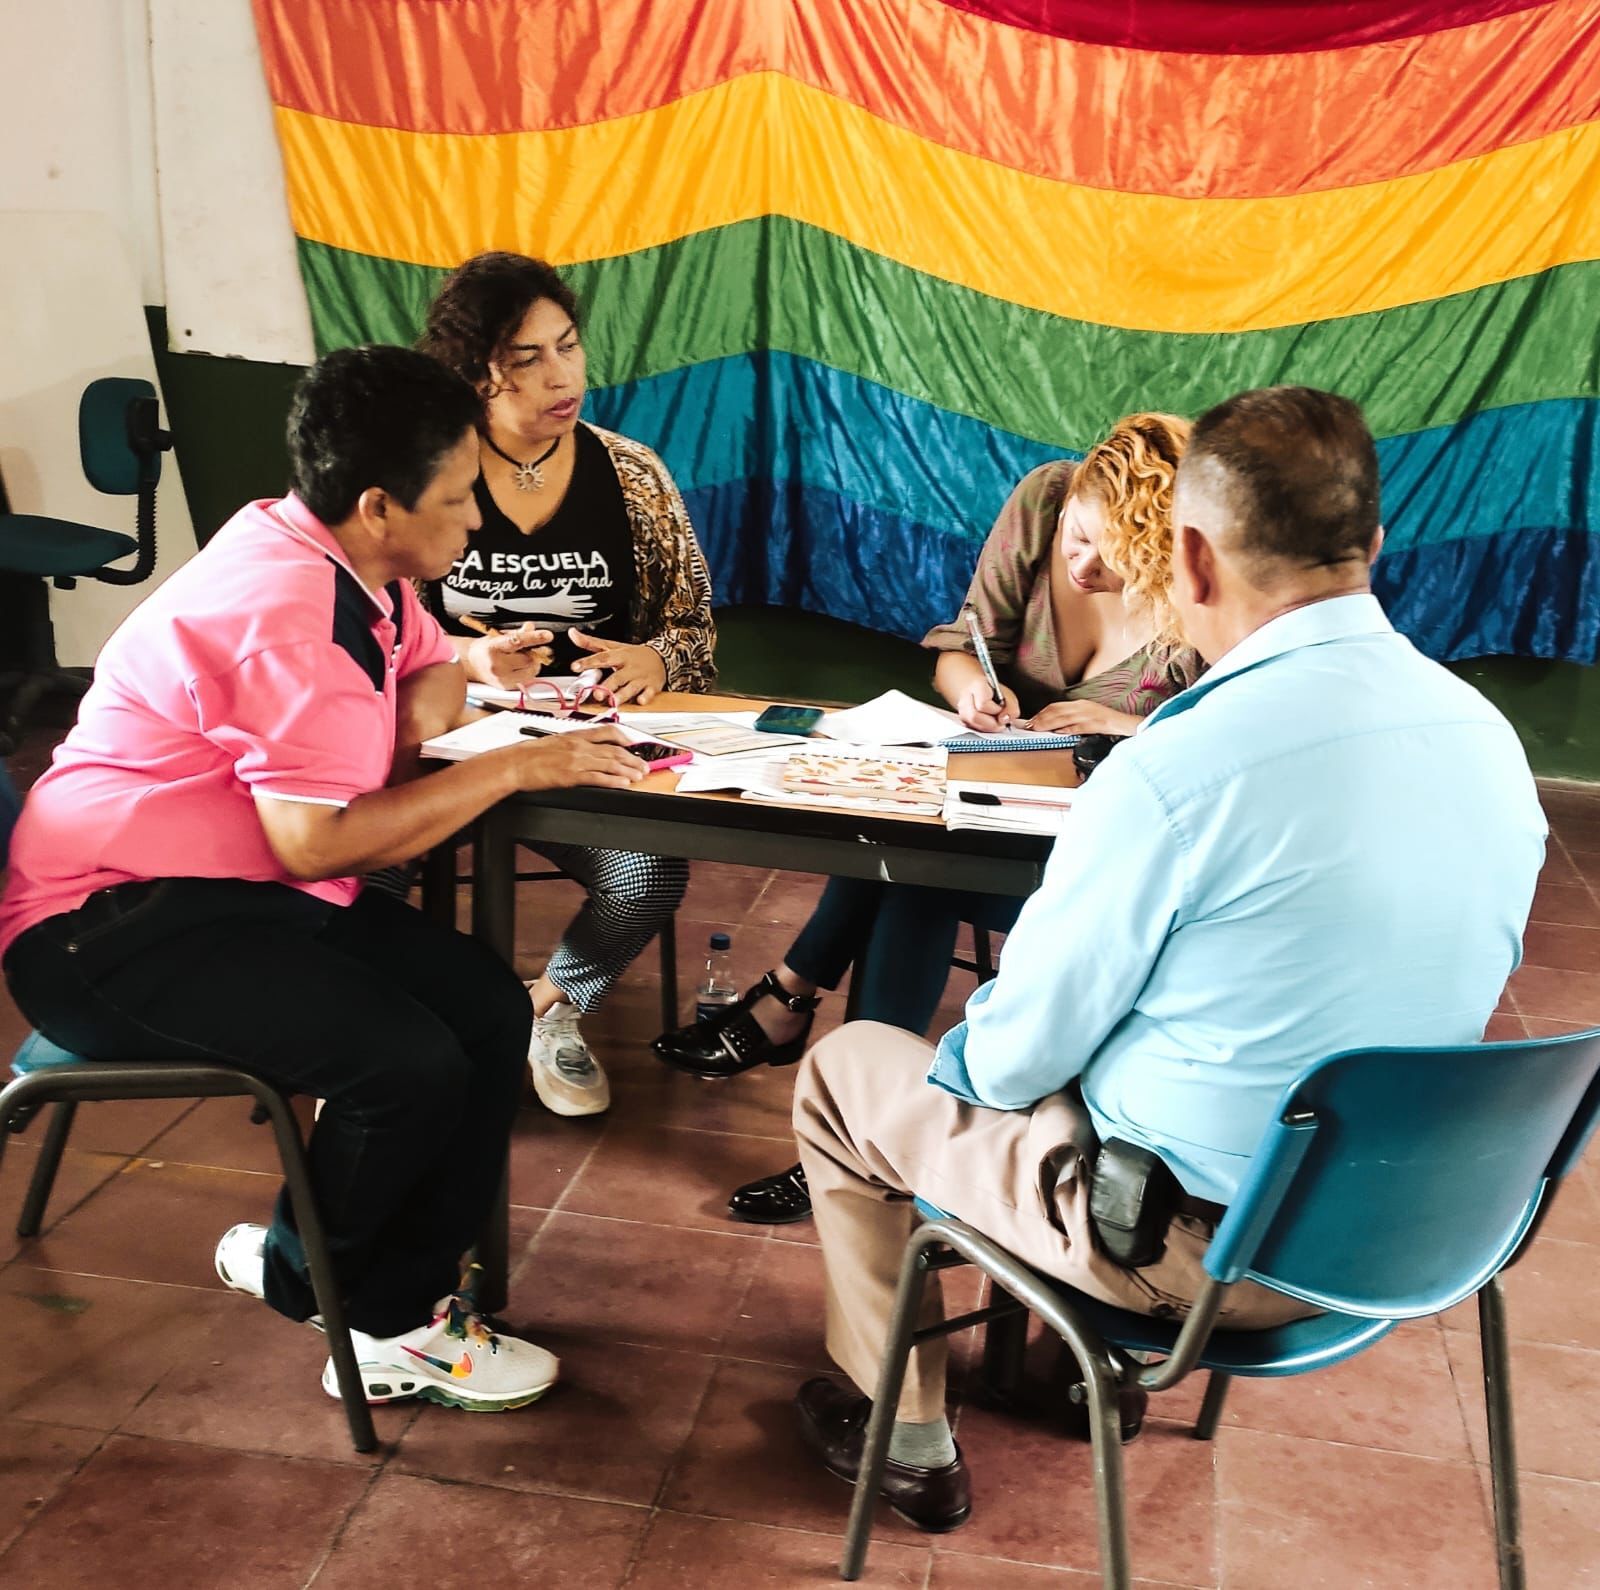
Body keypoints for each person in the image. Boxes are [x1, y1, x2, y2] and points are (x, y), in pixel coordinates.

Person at [784, 386, 1546, 1532]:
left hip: (1194, 1261)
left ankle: (904, 1431)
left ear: (1187, 559)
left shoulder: (1177, 773)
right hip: (1410, 1231)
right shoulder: (1491, 744)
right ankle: (1051, 1364)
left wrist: (986, 1077)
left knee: (853, 1073)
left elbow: (1007, 1061)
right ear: (1371, 546)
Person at [0, 346, 652, 1413]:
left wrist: (408, 724)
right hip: (104, 926)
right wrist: (514, 763)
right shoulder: (286, 608)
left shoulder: (349, 559)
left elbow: (436, 664)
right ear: (381, 502)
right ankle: (378, 1319)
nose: (475, 525)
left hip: (227, 890)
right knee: (403, 1065)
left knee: (486, 1009)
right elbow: (325, 842)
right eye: (457, 501)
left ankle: (333, 1279)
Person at [652, 414, 1200, 1226]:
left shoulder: (1202, 595)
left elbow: (1236, 736)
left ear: (1160, 556)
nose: (1080, 565)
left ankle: (797, 1019)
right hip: (993, 797)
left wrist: (1134, 727)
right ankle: (856, 1135)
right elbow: (959, 647)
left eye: (1110, 560)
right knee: (911, 855)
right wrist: (969, 691)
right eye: (1077, 539)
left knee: (916, 878)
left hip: (1091, 862)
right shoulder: (1045, 496)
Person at [417, 252, 717, 1119]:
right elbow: (365, 628)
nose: (563, 376)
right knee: (375, 871)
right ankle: (397, 1037)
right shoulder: (423, 471)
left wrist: (655, 661)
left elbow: (695, 630)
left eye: (570, 346)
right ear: (477, 374)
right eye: (528, 359)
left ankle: (544, 1010)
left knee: (648, 876)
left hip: (578, 748)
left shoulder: (633, 476)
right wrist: (461, 660)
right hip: (434, 744)